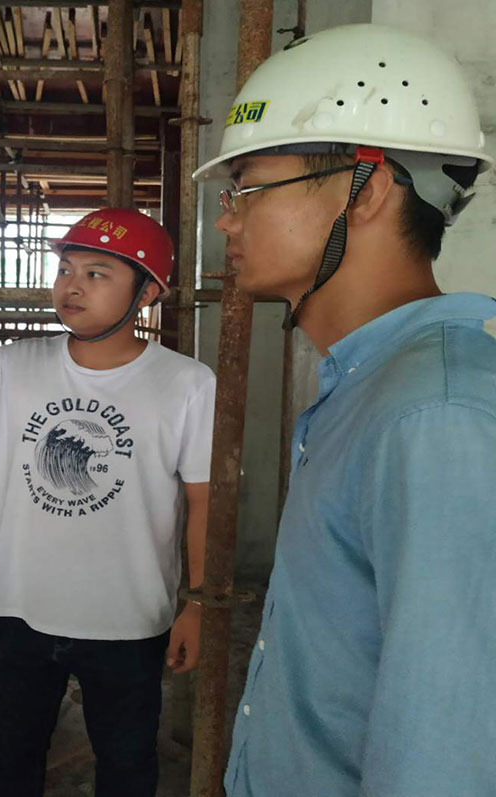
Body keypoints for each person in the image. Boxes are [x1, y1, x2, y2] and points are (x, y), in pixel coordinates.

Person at [194, 23, 496, 796]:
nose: (227, 219)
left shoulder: (436, 415)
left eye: (249, 188)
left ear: (370, 189)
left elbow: (443, 755)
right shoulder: (371, 383)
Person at [0, 207, 216, 796]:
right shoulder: (14, 366)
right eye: (66, 269)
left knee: (128, 768)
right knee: (9, 767)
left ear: (148, 292)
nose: (71, 286)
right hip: (15, 613)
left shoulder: (187, 384)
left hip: (128, 619)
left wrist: (198, 604)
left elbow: (206, 502)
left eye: (97, 274)